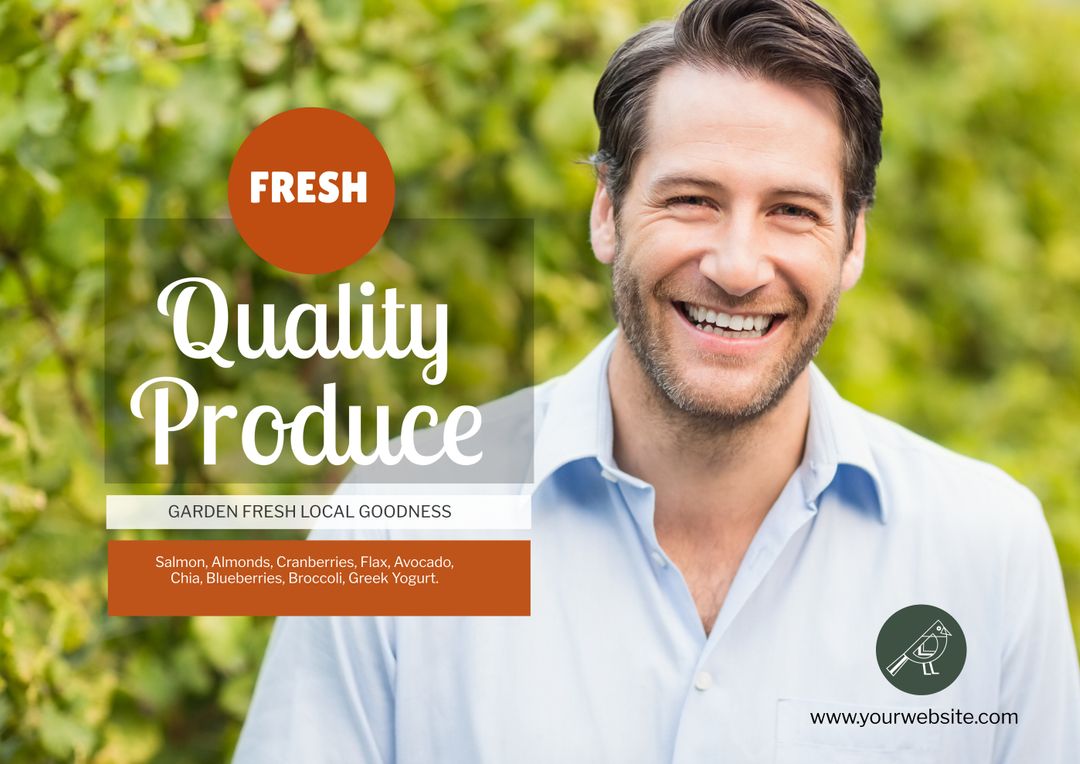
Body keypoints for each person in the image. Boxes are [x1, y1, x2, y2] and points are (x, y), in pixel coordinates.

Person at [235, 1, 1080, 761]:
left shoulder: (986, 548)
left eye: (793, 210)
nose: (738, 266)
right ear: (607, 210)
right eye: (692, 200)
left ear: (853, 242)